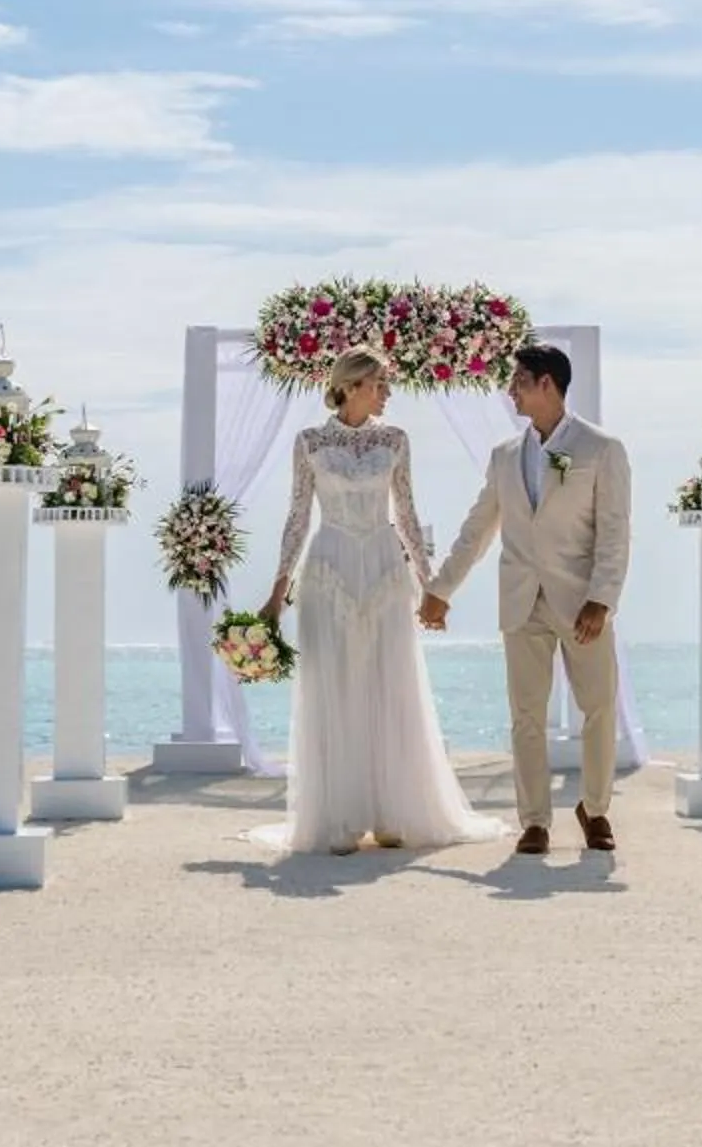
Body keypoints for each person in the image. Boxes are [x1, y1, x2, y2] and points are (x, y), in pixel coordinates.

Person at [255, 346, 503, 857]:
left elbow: (408, 513)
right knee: (334, 686)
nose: (387, 393)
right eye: (379, 384)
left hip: (385, 569)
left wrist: (432, 585)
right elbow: (298, 516)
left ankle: (392, 812)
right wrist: (278, 591)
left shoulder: (395, 439)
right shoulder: (309, 442)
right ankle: (339, 815)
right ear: (351, 385)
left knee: (391, 684)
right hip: (329, 570)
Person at [420, 344, 632, 855]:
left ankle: (596, 808)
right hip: (521, 602)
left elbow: (615, 532)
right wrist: (440, 590)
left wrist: (601, 599)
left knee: (598, 707)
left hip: (582, 604)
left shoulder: (601, 449)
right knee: (526, 715)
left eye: (518, 381)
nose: (510, 391)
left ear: (547, 385)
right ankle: (534, 820)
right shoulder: (504, 456)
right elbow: (477, 529)